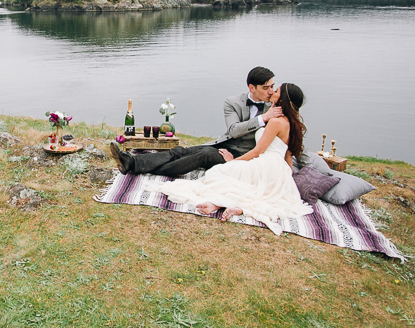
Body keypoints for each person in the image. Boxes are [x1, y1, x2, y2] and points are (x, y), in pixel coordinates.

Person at [145, 83, 312, 235]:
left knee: (218, 172)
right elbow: (288, 155)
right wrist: (286, 178)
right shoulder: (293, 123)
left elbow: (257, 151)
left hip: (265, 164)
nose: (272, 92)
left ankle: (222, 203)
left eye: (276, 91)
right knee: (240, 185)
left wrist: (233, 162)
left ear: (283, 98)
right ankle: (224, 205)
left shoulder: (276, 122)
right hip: (279, 169)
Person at [108, 66, 281, 177]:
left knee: (202, 156)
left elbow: (290, 134)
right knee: (181, 151)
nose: (270, 91)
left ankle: (143, 167)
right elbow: (234, 130)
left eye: (272, 86)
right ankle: (132, 162)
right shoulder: (233, 102)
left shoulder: (275, 107)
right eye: (266, 87)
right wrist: (263, 118)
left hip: (245, 156)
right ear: (252, 87)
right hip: (226, 145)